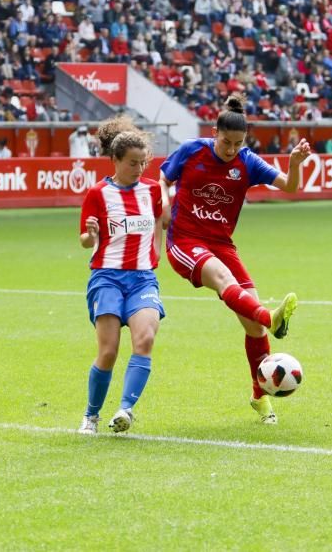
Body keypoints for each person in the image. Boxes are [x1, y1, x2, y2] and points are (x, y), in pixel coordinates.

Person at [159, 93, 308, 425]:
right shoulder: (191, 150)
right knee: (228, 284)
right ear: (215, 132)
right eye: (226, 142)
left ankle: (260, 397)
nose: (231, 149)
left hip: (222, 244)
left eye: (238, 143)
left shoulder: (247, 161)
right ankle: (273, 317)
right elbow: (162, 177)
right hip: (185, 242)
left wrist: (294, 165)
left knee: (253, 328)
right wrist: (165, 202)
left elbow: (290, 187)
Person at [78, 116, 165, 435]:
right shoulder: (98, 194)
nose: (139, 169)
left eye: (143, 163)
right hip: (108, 278)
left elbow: (159, 222)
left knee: (145, 339)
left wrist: (156, 252)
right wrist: (91, 234)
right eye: (132, 163)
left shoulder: (152, 191)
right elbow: (86, 241)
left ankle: (125, 410)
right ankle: (91, 415)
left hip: (142, 278)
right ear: (115, 160)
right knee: (109, 351)